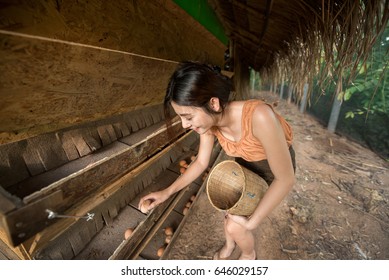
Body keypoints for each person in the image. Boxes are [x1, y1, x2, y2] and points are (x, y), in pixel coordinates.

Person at [138, 61, 296, 260]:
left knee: (235, 225)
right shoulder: (209, 122)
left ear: (213, 103)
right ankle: (230, 246)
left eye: (188, 117)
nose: (185, 125)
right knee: (229, 209)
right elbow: (201, 162)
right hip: (245, 164)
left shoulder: (259, 116)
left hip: (273, 171)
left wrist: (250, 223)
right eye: (181, 117)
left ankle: (248, 255)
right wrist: (166, 192)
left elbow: (286, 179)